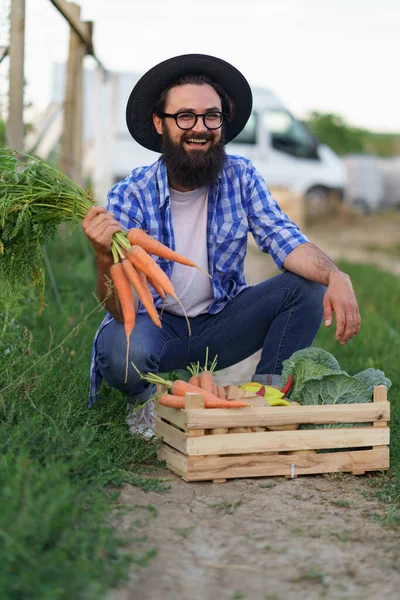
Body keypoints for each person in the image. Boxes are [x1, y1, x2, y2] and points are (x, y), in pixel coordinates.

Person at [82, 54, 361, 436]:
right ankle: (145, 402)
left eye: (210, 116)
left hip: (221, 326)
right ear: (159, 123)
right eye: (185, 116)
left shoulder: (241, 176)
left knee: (307, 285)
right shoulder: (129, 195)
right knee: (122, 349)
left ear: (221, 123)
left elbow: (286, 240)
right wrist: (102, 255)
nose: (199, 128)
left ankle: (269, 400)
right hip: (157, 332)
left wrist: (336, 275)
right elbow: (118, 307)